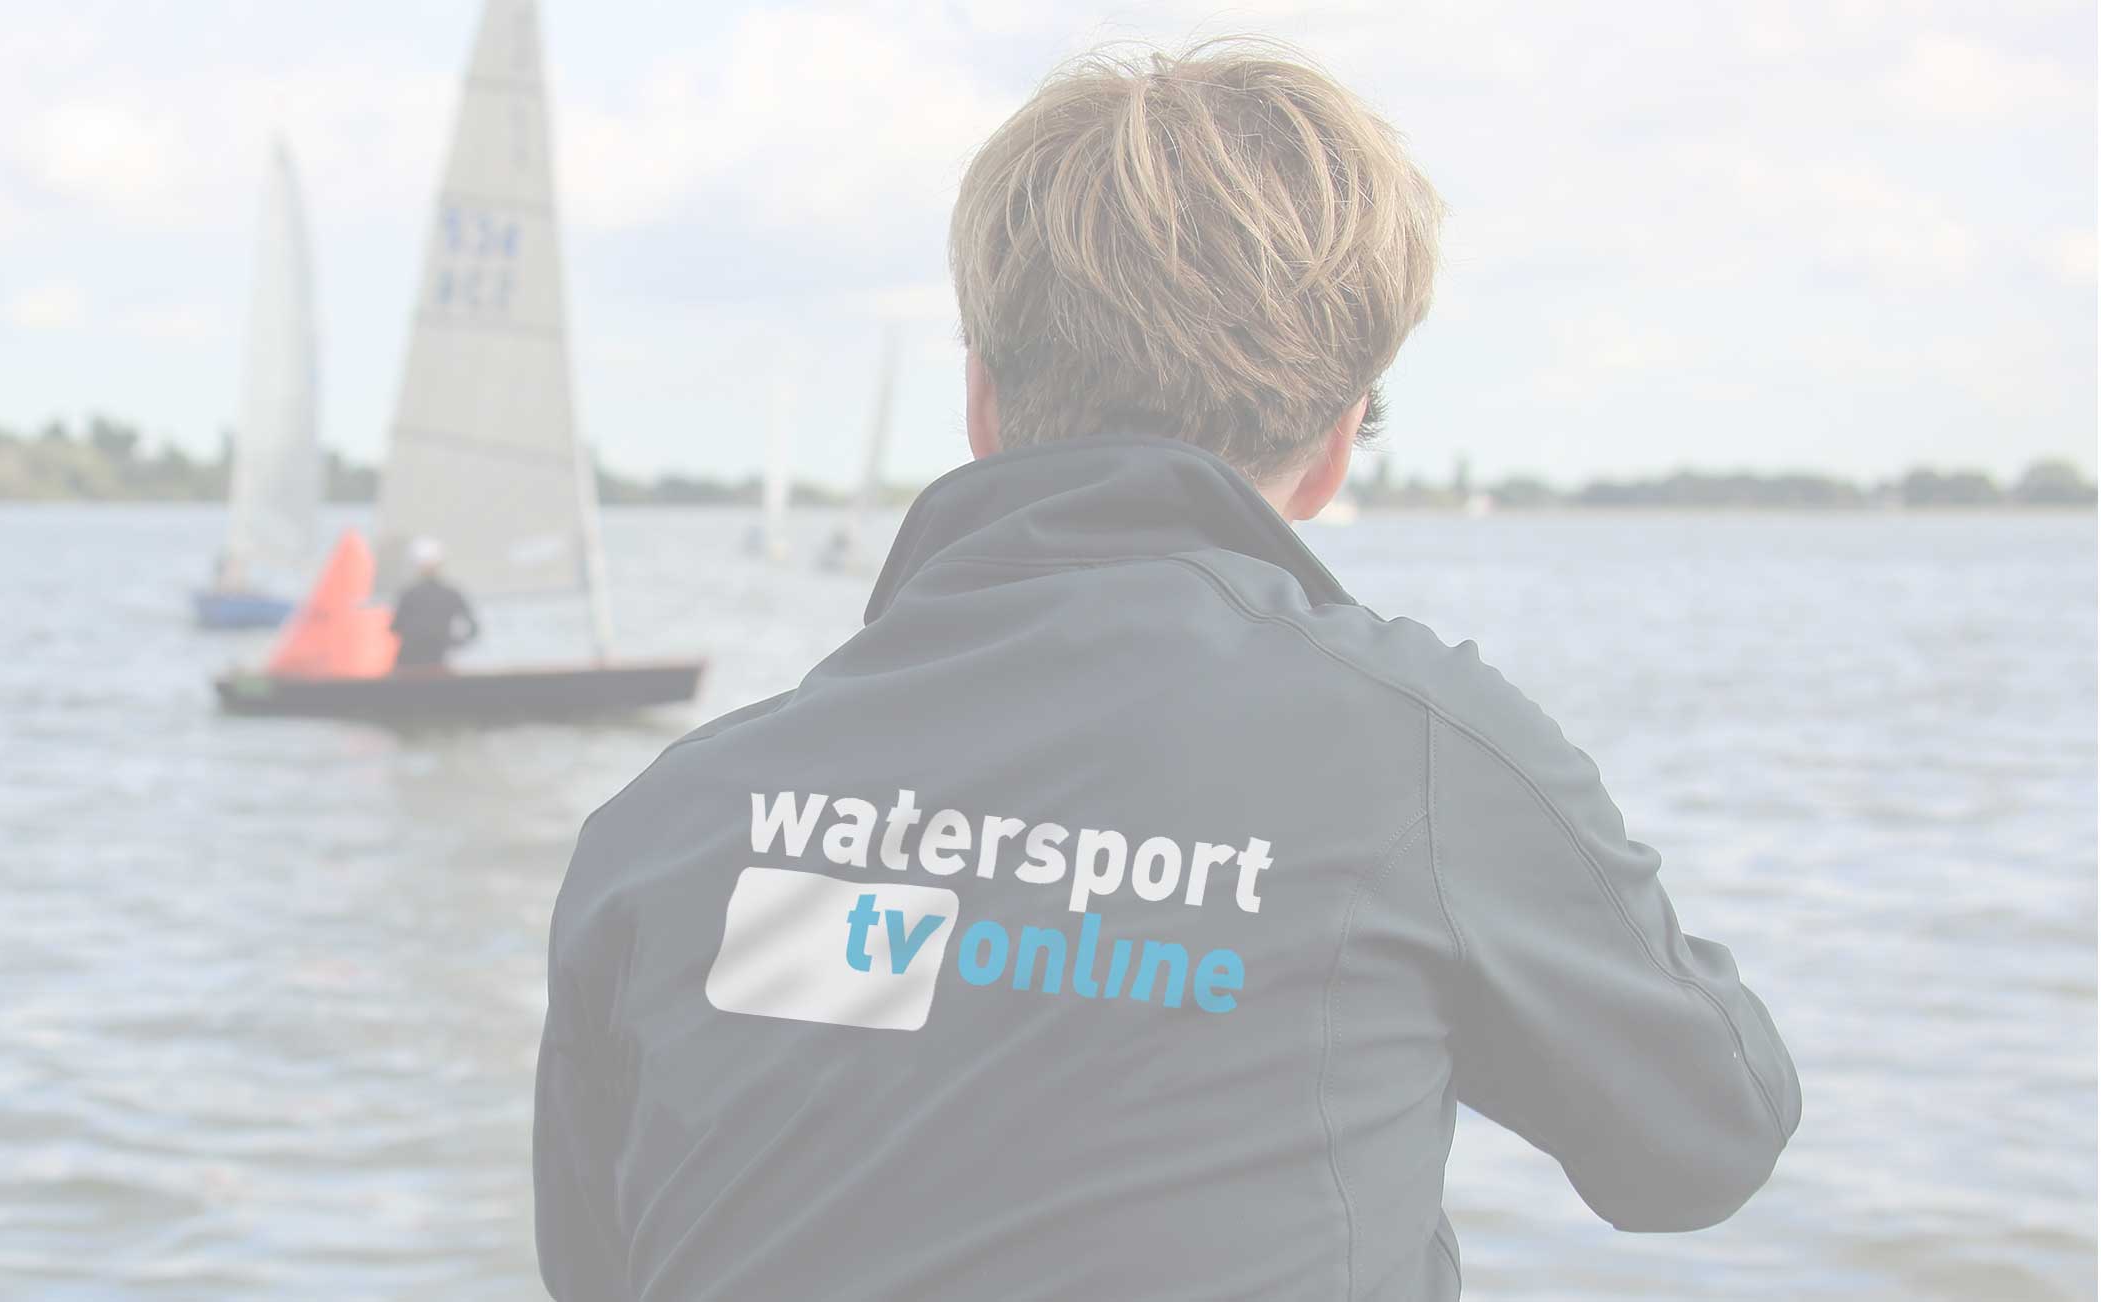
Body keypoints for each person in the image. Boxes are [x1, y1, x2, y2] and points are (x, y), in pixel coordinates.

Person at [534, 39, 1796, 1302]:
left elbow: (599, 1267)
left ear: (980, 403)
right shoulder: (1417, 755)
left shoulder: (675, 822)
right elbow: (1703, 1145)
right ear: (1337, 448)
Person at [388, 537, 477, 670]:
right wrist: (451, 642)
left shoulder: (409, 594)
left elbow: (395, 627)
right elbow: (472, 629)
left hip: (410, 664)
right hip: (437, 662)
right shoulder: (451, 594)